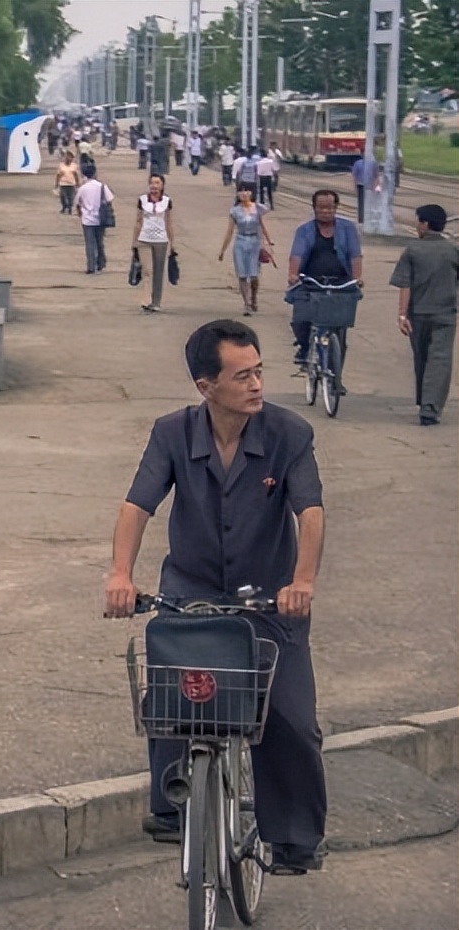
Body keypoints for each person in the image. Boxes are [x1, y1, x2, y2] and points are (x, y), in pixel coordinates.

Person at [105, 318, 329, 875]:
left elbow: (310, 511)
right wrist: (119, 574)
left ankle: (294, 838)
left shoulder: (289, 433)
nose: (257, 385)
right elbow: (137, 505)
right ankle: (172, 804)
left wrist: (302, 582)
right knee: (172, 698)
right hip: (193, 592)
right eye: (242, 375)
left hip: (270, 600)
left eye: (259, 371)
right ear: (206, 386)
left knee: (290, 720)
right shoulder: (172, 433)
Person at [389, 204, 459, 426]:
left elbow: (405, 284)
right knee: (440, 360)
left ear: (425, 224)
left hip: (417, 315)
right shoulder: (453, 250)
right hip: (446, 315)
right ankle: (430, 406)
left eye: (419, 221)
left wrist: (402, 315)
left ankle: (425, 402)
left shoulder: (412, 250)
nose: (417, 226)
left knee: (422, 358)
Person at [287, 189, 363, 365]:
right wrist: (293, 274)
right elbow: (297, 254)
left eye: (329, 208)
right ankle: (304, 347)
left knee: (340, 327)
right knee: (301, 319)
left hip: (340, 284)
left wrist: (357, 278)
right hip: (311, 282)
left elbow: (355, 255)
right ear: (314, 208)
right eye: (321, 208)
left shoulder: (348, 229)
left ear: (336, 207)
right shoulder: (304, 230)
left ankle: (336, 372)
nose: (325, 211)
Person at [218, 181, 275, 316]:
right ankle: (247, 304)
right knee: (242, 275)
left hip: (255, 242)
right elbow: (229, 231)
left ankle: (253, 297)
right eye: (241, 191)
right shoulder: (235, 211)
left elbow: (261, 226)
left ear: (252, 193)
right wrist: (222, 250)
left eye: (247, 191)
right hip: (240, 243)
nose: (244, 193)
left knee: (254, 275)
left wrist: (267, 242)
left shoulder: (258, 208)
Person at [131, 173, 175, 314]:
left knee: (158, 272)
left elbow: (169, 222)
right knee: (147, 270)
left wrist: (172, 243)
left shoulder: (166, 201)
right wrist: (134, 242)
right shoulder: (142, 200)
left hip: (161, 240)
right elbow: (138, 221)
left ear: (162, 186)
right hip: (144, 239)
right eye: (152, 183)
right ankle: (146, 300)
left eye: (157, 183)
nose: (154, 186)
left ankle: (156, 302)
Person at [74, 162, 115, 276]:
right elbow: (109, 199)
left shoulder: (83, 188)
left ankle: (91, 266)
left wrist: (80, 212)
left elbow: (77, 202)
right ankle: (100, 263)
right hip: (100, 218)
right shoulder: (102, 186)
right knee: (99, 241)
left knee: (90, 243)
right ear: (95, 173)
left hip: (87, 219)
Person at [350, 153, 377, 224]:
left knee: (366, 203)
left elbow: (375, 175)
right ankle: (362, 218)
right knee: (363, 203)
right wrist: (355, 187)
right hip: (362, 186)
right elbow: (355, 176)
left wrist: (375, 186)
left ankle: (365, 217)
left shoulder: (372, 164)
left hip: (367, 186)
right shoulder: (358, 163)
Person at [55, 150, 82, 215]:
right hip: (63, 183)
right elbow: (58, 175)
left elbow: (76, 175)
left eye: (69, 157)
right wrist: (56, 184)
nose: (67, 158)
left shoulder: (74, 166)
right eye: (66, 157)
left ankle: (70, 208)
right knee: (63, 196)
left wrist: (77, 183)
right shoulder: (61, 165)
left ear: (72, 158)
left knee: (71, 197)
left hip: (71, 184)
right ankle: (64, 207)